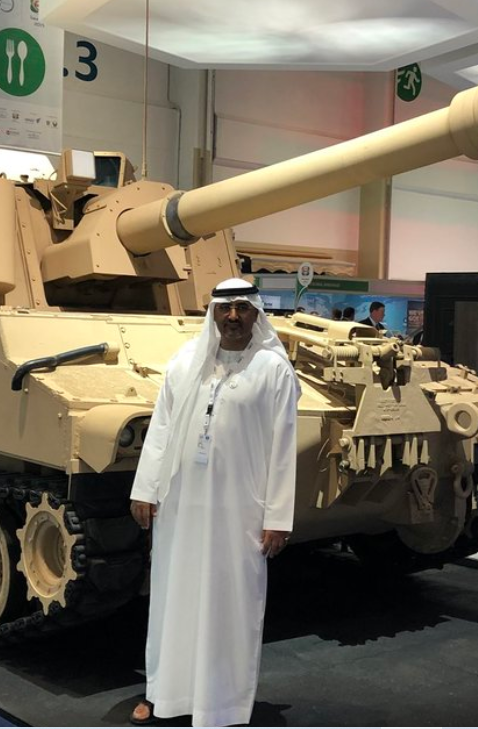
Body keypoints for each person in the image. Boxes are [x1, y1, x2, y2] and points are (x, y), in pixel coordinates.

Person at [129, 278, 299, 728]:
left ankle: (220, 706)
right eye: (225, 308)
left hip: (239, 510)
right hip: (181, 505)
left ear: (256, 313)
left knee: (230, 604)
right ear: (213, 313)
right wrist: (145, 487)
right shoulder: (187, 362)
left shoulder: (273, 369)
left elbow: (283, 447)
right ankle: (165, 694)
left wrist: (278, 516)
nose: (233, 316)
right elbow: (161, 427)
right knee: (173, 598)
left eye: (242, 307)